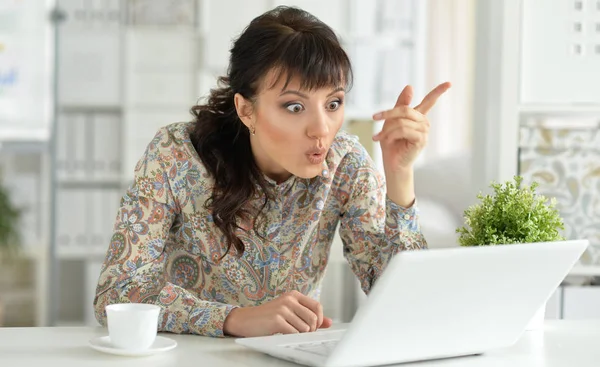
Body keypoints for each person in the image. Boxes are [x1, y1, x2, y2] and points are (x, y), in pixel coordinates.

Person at [93, 6, 450, 338]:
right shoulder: (176, 153)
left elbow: (408, 303)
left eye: (333, 103)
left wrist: (400, 173)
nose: (321, 129)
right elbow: (117, 294)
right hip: (184, 363)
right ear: (246, 110)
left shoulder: (345, 165)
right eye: (294, 106)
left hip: (288, 364)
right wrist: (234, 318)